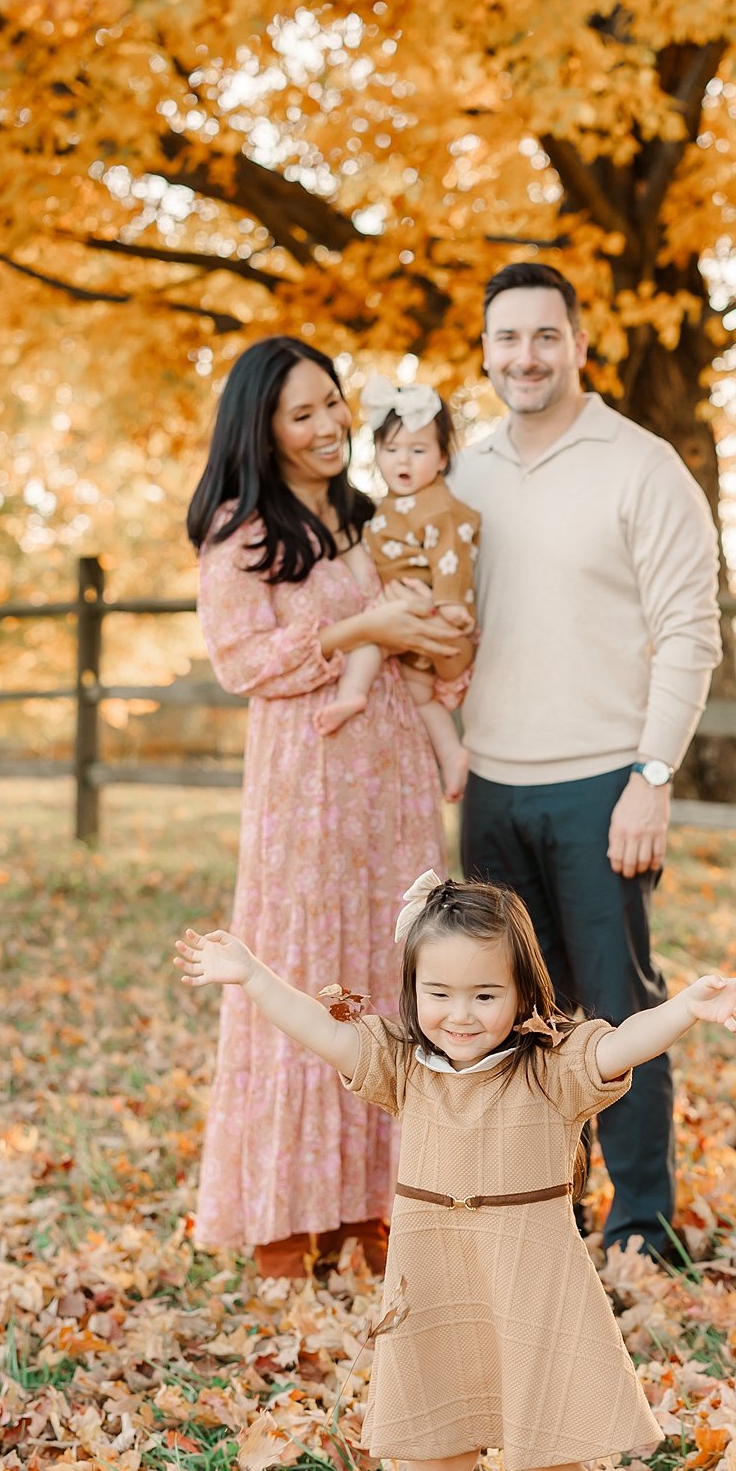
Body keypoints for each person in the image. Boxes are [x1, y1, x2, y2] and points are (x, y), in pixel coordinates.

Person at [173, 873, 736, 1471]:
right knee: (432, 1451)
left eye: (485, 994)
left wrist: (682, 1010)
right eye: (439, 993)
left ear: (520, 994)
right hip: (437, 1281)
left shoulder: (549, 1067)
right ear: (414, 989)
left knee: (550, 1458)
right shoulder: (403, 1067)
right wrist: (253, 975)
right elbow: (322, 1032)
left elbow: (619, 1048)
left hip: (526, 1281)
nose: (460, 1013)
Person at [452, 262, 723, 1262]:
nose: (525, 357)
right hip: (491, 785)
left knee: (616, 1013)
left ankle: (642, 1224)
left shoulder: (641, 466)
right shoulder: (464, 472)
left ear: (577, 343)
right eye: (506, 340)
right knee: (505, 1018)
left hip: (603, 782)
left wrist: (653, 775)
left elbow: (690, 630)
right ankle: (536, 1211)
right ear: (486, 352)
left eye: (544, 337)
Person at [186, 336, 469, 1281]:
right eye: (301, 414)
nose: (328, 428)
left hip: (389, 782)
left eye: (333, 406)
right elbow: (243, 662)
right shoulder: (244, 530)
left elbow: (420, 616)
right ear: (261, 430)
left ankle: (381, 1208)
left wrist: (431, 630)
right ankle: (285, 1217)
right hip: (306, 792)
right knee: (303, 974)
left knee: (393, 970)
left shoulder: (371, 518)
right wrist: (361, 628)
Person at [316, 381, 479, 802]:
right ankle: (451, 754)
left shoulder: (438, 505)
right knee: (420, 694)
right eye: (390, 449)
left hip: (427, 605)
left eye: (418, 450)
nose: (402, 460)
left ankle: (353, 693)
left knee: (372, 639)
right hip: (395, 612)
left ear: (443, 458)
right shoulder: (389, 504)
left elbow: (452, 556)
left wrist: (450, 603)